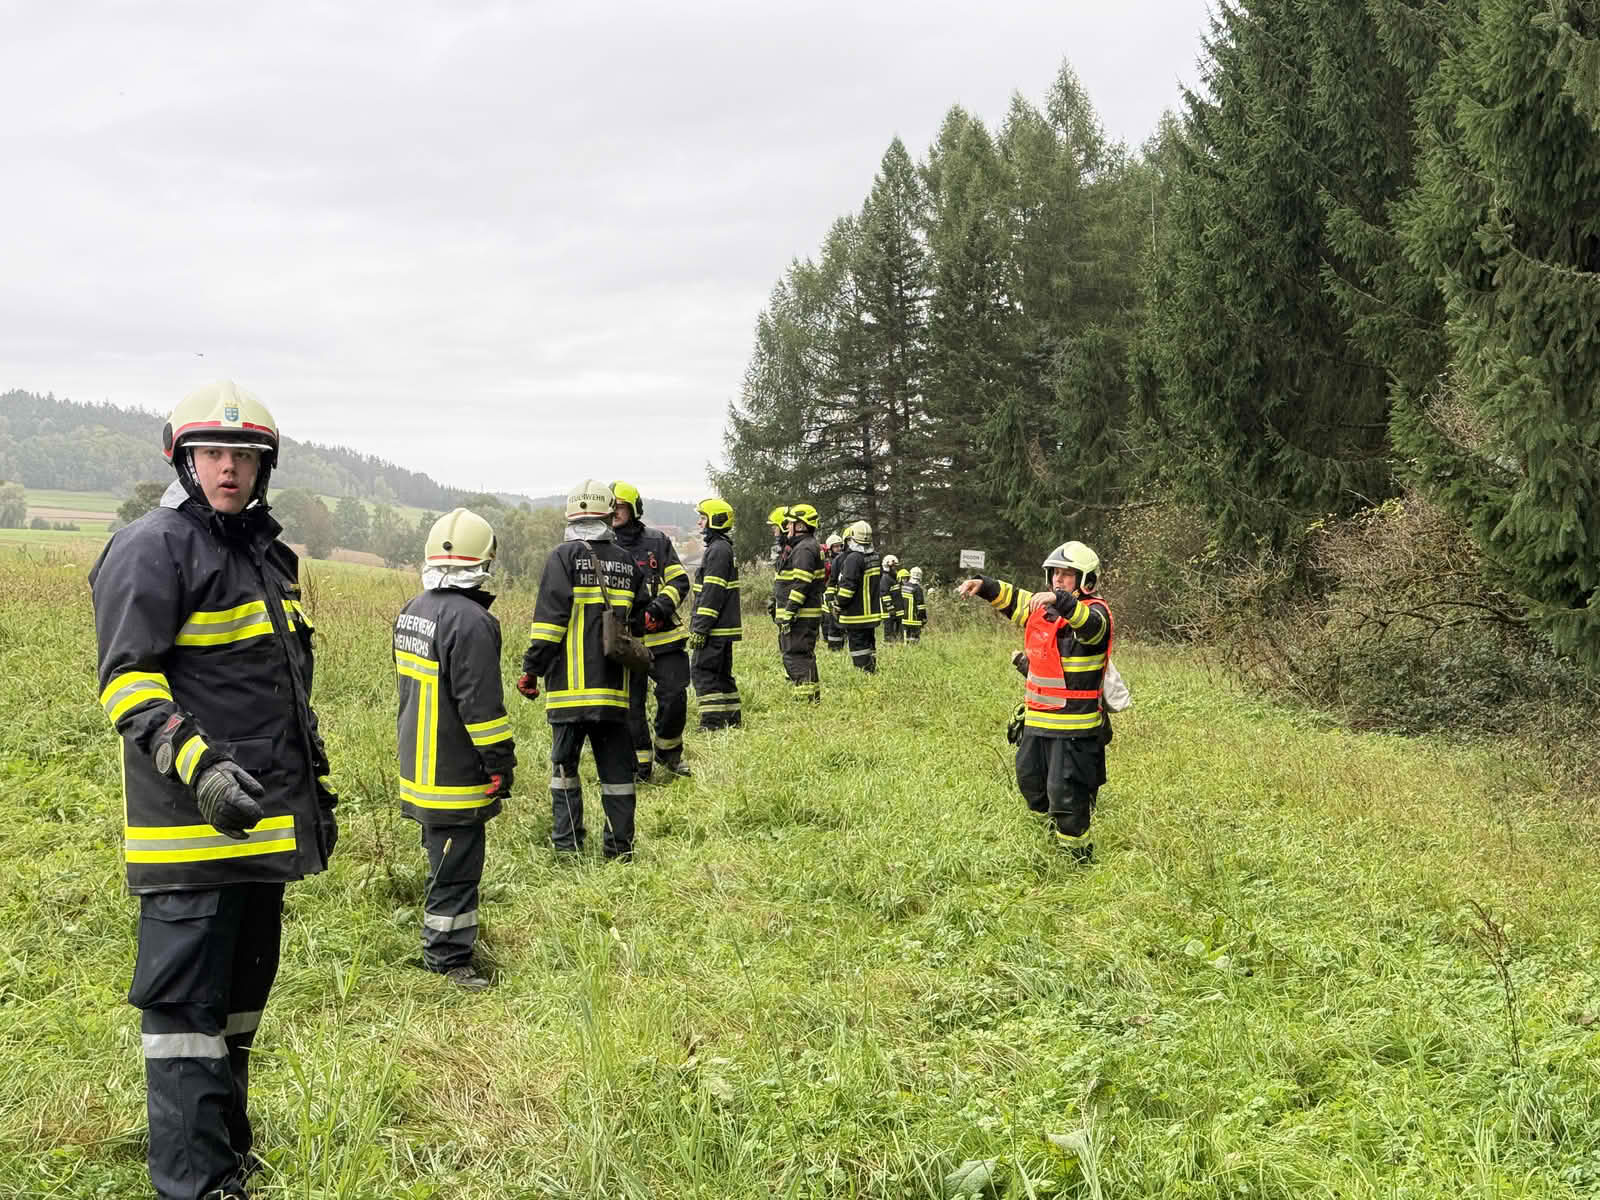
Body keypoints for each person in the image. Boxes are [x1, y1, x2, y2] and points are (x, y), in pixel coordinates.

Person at [89, 380, 338, 1200]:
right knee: (184, 1024)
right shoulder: (150, 547)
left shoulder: (266, 554)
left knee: (235, 1017)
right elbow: (126, 682)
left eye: (245, 457)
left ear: (264, 468)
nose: (229, 469)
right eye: (215, 454)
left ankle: (227, 1159)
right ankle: (194, 1185)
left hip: (258, 837)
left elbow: (281, 691)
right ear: (184, 460)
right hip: (189, 840)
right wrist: (195, 764)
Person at [393, 508, 515, 991]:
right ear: (483, 559)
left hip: (417, 768)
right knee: (457, 868)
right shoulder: (473, 622)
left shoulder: (412, 610)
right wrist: (501, 764)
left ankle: (446, 947)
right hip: (456, 772)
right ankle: (447, 961)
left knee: (441, 859)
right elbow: (482, 709)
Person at [958, 540, 1112, 862]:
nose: (1058, 580)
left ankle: (1077, 860)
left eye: (1067, 575)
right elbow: (1014, 598)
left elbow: (1090, 626)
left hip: (1074, 728)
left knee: (1066, 796)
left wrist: (1063, 601)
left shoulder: (1095, 612)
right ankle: (1047, 844)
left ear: (1087, 580)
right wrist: (984, 586)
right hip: (1037, 723)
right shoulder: (1043, 606)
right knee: (1031, 785)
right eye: (1055, 573)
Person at [518, 480, 647, 860]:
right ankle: (620, 849)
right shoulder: (627, 562)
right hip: (613, 692)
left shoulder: (563, 556)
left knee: (564, 770)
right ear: (609, 516)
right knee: (618, 776)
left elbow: (549, 624)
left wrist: (531, 670)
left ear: (571, 517)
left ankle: (567, 846)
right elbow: (637, 623)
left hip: (568, 691)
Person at [611, 481, 693, 781]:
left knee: (674, 695)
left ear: (634, 509)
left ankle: (668, 753)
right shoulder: (603, 546)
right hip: (624, 641)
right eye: (609, 508)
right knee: (630, 705)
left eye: (619, 507)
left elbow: (679, 581)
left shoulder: (657, 541)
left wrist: (656, 610)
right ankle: (639, 765)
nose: (614, 513)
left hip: (663, 637)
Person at [687, 498, 743, 728]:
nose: (700, 523)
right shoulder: (721, 548)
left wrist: (700, 628)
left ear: (715, 520)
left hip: (714, 628)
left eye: (703, 518)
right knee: (720, 674)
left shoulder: (718, 550)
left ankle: (712, 722)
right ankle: (731, 718)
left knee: (703, 671)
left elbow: (712, 593)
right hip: (721, 627)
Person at [773, 502, 826, 701]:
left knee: (796, 656)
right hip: (804, 614)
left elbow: (801, 583)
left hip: (801, 615)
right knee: (801, 655)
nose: (787, 527)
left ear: (801, 525)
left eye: (791, 523)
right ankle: (810, 698)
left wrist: (789, 611)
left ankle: (806, 701)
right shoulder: (807, 546)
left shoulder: (804, 549)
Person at [833, 520, 885, 672]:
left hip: (856, 615)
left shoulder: (853, 559)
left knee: (858, 645)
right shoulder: (875, 557)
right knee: (870, 643)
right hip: (872, 615)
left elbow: (847, 588)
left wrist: (838, 604)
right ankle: (871, 669)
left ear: (852, 537)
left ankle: (863, 672)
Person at [820, 532, 847, 653]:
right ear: (830, 548)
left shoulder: (845, 559)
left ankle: (843, 640)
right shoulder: (827, 562)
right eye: (835, 546)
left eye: (840, 546)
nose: (839, 549)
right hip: (828, 592)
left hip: (841, 592)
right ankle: (830, 643)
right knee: (828, 618)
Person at [879, 554, 902, 642]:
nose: (895, 569)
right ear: (887, 566)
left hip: (895, 611)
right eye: (893, 566)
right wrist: (890, 608)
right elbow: (884, 595)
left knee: (896, 634)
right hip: (889, 612)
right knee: (889, 633)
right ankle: (889, 649)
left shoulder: (892, 578)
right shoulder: (885, 579)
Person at [902, 566, 928, 641]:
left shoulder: (904, 587)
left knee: (906, 639)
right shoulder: (917, 589)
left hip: (904, 619)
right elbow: (921, 606)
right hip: (915, 619)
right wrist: (924, 618)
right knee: (914, 640)